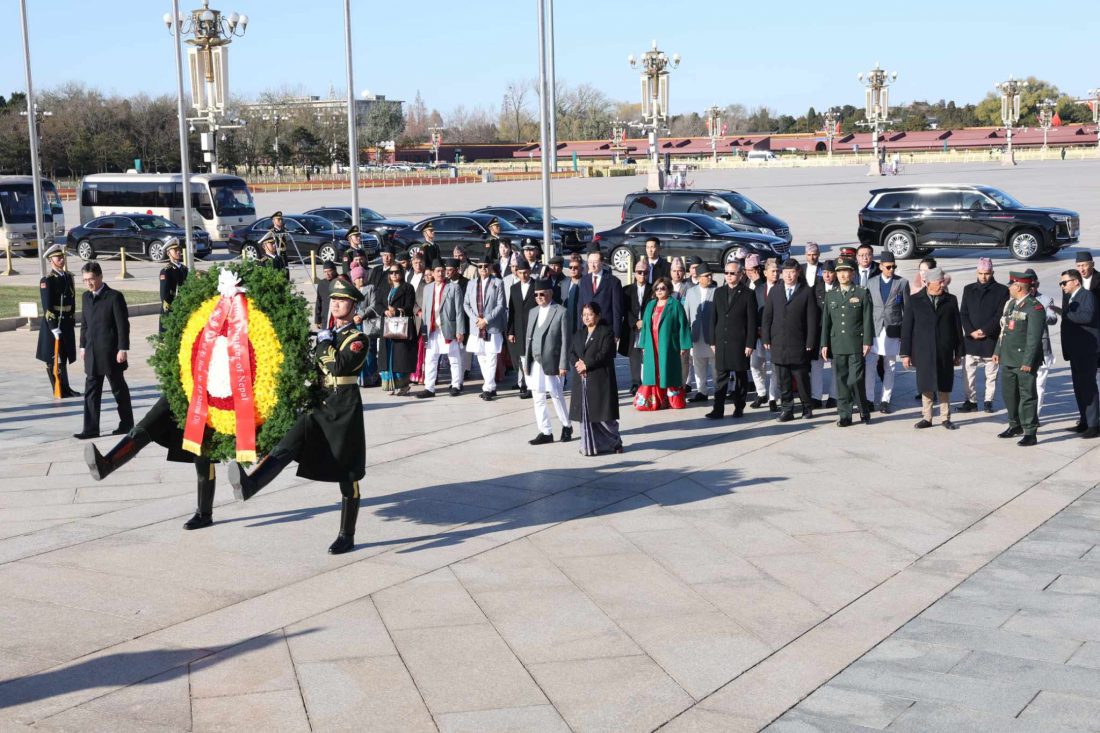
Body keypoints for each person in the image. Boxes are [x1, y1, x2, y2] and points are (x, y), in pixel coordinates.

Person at [229, 278, 368, 554]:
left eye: (343, 301)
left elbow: (339, 367)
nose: (337, 304)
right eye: (334, 300)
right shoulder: (325, 335)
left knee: (347, 472)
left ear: (353, 307)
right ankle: (250, 485)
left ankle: (346, 534)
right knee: (289, 442)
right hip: (318, 403)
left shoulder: (358, 339)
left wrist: (323, 345)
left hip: (344, 408)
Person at [86, 397, 220, 530]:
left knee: (203, 448)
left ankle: (204, 513)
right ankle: (107, 464)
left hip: (212, 392)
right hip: (182, 385)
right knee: (148, 424)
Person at [74, 262, 134, 440]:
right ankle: (90, 428)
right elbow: (84, 325)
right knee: (91, 391)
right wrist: (83, 346)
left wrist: (122, 349)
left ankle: (126, 423)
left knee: (118, 389)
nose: (89, 283)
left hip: (110, 353)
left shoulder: (114, 297)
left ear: (100, 277)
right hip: (92, 353)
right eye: (85, 280)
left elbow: (123, 325)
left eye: (91, 279)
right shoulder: (85, 297)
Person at [900, 267, 963, 431]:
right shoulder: (914, 300)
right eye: (939, 282)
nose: (942, 285)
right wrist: (905, 353)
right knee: (926, 384)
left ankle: (945, 417)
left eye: (943, 282)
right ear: (928, 283)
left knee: (944, 384)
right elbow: (907, 329)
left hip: (944, 349)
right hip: (923, 350)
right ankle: (927, 417)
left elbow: (957, 327)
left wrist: (959, 352)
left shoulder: (951, 300)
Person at [762, 258, 819, 420]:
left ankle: (807, 407)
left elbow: (812, 320)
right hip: (779, 343)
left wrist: (810, 341)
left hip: (798, 343)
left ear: (797, 273)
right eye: (785, 272)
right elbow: (767, 317)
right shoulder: (775, 291)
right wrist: (766, 337)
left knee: (801, 379)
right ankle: (787, 409)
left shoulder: (806, 291)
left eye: (791, 272)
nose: (788, 276)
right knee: (783, 380)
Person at [993, 272, 1046, 446]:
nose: (1009, 288)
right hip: (1008, 358)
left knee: (1027, 395)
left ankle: (1030, 431)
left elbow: (1033, 338)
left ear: (1018, 287)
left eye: (1011, 285)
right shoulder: (1011, 305)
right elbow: (1005, 332)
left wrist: (1028, 362)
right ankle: (1014, 424)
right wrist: (998, 351)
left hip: (1024, 361)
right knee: (1009, 395)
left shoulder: (1034, 308)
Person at [820, 258, 873, 427]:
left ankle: (863, 409)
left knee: (855, 379)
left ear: (852, 273)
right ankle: (845, 415)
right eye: (840, 271)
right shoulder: (831, 295)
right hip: (838, 343)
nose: (843, 275)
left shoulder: (861, 292)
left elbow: (867, 320)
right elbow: (826, 323)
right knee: (841, 380)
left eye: (846, 271)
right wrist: (824, 344)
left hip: (856, 342)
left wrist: (867, 341)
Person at [706, 260, 757, 420]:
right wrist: (712, 341)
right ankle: (718, 409)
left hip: (739, 342)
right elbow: (713, 317)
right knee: (721, 377)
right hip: (722, 340)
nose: (728, 276)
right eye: (726, 273)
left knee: (740, 376)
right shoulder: (719, 292)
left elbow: (752, 322)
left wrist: (750, 343)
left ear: (740, 274)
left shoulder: (748, 294)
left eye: (732, 273)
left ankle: (739, 407)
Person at [570, 302, 622, 455]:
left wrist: (587, 364)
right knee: (586, 415)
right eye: (584, 315)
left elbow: (605, 354)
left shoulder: (606, 332)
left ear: (598, 316)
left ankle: (615, 443)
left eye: (590, 314)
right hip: (582, 380)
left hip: (600, 380)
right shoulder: (579, 334)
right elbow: (571, 352)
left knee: (604, 417)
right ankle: (589, 447)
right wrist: (577, 363)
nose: (587, 318)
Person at [958, 258, 1010, 413]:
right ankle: (971, 401)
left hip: (990, 338)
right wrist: (971, 331)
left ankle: (988, 401)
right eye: (981, 273)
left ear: (992, 273)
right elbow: (964, 313)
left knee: (991, 373)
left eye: (987, 273)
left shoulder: (1002, 290)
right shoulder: (968, 289)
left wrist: (985, 331)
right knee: (968, 373)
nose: (983, 277)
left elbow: (1000, 315)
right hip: (971, 339)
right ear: (977, 272)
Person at [524, 279, 572, 444]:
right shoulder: (532, 312)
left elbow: (566, 341)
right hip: (535, 361)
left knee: (556, 395)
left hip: (553, 362)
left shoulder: (561, 311)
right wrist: (526, 362)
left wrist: (563, 364)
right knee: (537, 396)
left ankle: (566, 425)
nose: (539, 297)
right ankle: (545, 431)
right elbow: (528, 339)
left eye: (542, 294)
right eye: (536, 295)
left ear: (550, 293)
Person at [635, 276, 691, 411]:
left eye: (663, 288)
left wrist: (684, 345)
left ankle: (673, 400)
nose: (660, 291)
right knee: (654, 372)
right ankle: (655, 401)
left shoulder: (675, 304)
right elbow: (646, 326)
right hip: (651, 344)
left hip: (668, 345)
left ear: (668, 289)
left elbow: (683, 325)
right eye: (657, 288)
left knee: (667, 371)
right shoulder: (650, 305)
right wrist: (643, 345)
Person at [1055, 270, 1100, 437]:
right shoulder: (1072, 297)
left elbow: (1087, 316)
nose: (1062, 286)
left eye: (1064, 282)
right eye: (1061, 283)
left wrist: (1065, 313)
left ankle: (1094, 425)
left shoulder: (1086, 296)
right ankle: (1084, 421)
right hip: (1076, 351)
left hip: (1086, 351)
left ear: (1076, 282)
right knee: (1079, 387)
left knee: (1088, 387)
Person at [865, 252, 909, 413]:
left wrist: (905, 334)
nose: (891, 269)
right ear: (881, 266)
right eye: (888, 267)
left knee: (890, 366)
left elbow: (907, 310)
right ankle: (869, 399)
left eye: (894, 267)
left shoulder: (902, 283)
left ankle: (885, 400)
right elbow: (867, 308)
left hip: (893, 329)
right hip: (875, 328)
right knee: (870, 365)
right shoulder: (871, 282)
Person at [36, 243, 80, 398]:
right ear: (50, 260)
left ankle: (66, 387)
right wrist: (53, 327)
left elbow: (72, 301)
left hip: (66, 322)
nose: (61, 260)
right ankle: (57, 388)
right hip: (54, 325)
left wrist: (72, 319)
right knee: (53, 358)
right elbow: (47, 306)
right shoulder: (47, 280)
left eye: (62, 257)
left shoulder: (68, 277)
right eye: (58, 258)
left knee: (64, 356)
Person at [417, 261, 466, 398]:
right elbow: (425, 311)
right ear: (432, 273)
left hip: (449, 328)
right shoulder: (427, 288)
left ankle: (456, 385)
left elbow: (459, 311)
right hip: (432, 329)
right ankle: (429, 388)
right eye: (437, 271)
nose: (440, 273)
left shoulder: (453, 287)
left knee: (454, 358)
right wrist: (424, 330)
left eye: (442, 271)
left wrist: (460, 330)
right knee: (430, 358)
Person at [464, 259, 507, 401]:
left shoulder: (498, 283)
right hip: (476, 326)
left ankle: (487, 388)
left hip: (492, 326)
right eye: (480, 266)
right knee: (481, 356)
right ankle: (491, 385)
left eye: (485, 266)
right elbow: (466, 304)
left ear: (490, 267)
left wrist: (486, 320)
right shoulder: (471, 283)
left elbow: (501, 305)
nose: (483, 268)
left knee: (492, 357)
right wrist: (476, 319)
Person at [379, 265, 418, 395]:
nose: (394, 275)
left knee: (400, 356)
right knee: (387, 355)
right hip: (387, 325)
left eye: (397, 272)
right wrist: (385, 310)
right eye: (391, 272)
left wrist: (396, 311)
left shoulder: (407, 288)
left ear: (401, 273)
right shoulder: (386, 288)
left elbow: (409, 306)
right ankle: (390, 386)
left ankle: (403, 385)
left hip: (400, 326)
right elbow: (378, 303)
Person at [683, 262, 718, 401]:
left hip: (712, 336)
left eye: (710, 275)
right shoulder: (691, 292)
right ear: (698, 278)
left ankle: (718, 390)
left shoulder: (716, 291)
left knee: (716, 366)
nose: (709, 277)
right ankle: (702, 392)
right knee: (698, 365)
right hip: (696, 335)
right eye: (706, 276)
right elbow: (687, 313)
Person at [577, 245, 624, 346]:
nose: (592, 265)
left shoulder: (613, 281)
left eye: (595, 262)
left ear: (602, 263)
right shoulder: (584, 281)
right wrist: (580, 329)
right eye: (590, 262)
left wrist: (616, 332)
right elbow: (580, 305)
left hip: (606, 328)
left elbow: (617, 309)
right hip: (587, 328)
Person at [750, 258, 780, 410]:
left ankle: (773, 398)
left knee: (774, 367)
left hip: (777, 335)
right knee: (755, 364)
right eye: (773, 271)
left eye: (777, 271)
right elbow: (754, 311)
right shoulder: (759, 289)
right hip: (760, 335)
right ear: (765, 272)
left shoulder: (782, 288)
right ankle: (761, 393)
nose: (776, 274)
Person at [1028, 268, 1058, 418]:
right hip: (1023, 348)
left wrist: (1040, 316)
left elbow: (1053, 319)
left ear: (1037, 284)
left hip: (1042, 347)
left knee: (1039, 384)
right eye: (1028, 285)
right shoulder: (1016, 300)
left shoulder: (1046, 299)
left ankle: (1035, 415)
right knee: (1025, 385)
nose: (1031, 288)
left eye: (1034, 285)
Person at [621, 260, 654, 395]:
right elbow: (624, 309)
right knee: (634, 356)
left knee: (647, 355)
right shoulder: (627, 290)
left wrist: (645, 322)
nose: (642, 275)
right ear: (635, 273)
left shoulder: (653, 289)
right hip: (632, 328)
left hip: (648, 327)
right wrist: (635, 322)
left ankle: (648, 382)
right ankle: (635, 383)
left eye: (645, 272)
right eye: (640, 272)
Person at [507, 258, 538, 398]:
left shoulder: (537, 286)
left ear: (530, 272)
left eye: (526, 273)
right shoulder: (514, 288)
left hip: (534, 328)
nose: (524, 276)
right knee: (523, 358)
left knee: (533, 358)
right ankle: (526, 384)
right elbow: (512, 311)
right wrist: (511, 331)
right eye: (520, 273)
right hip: (519, 329)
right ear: (517, 273)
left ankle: (532, 386)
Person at [811, 259, 838, 408]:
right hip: (819, 332)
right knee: (816, 365)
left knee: (835, 366)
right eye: (825, 272)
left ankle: (833, 396)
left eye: (830, 272)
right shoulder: (815, 289)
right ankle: (816, 396)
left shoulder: (839, 288)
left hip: (834, 333)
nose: (827, 275)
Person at [158, 237, 188, 334]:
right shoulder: (166, 271)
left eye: (179, 250)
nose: (178, 252)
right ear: (168, 253)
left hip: (183, 306)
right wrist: (170, 310)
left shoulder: (184, 269)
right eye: (175, 250)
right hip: (172, 308)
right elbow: (164, 294)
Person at [314, 261, 339, 330]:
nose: (327, 274)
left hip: (338, 319)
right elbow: (318, 301)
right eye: (325, 272)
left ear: (334, 270)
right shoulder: (322, 283)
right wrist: (317, 320)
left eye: (329, 271)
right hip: (325, 319)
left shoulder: (340, 281)